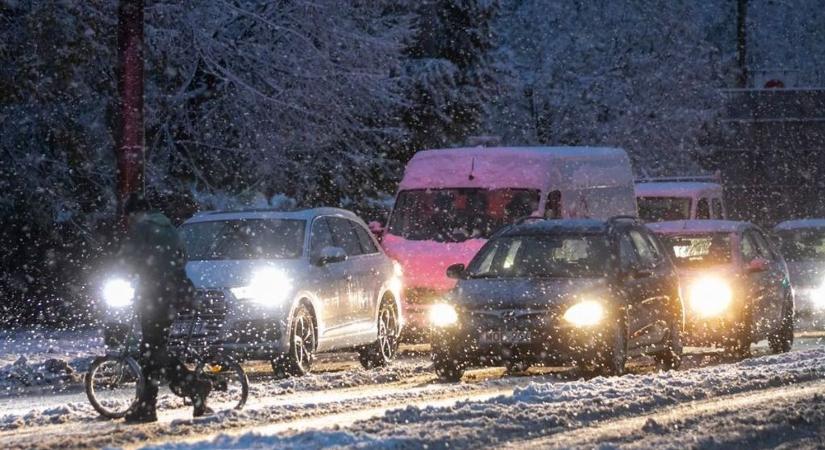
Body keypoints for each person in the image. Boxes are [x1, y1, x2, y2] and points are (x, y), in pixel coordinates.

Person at [117, 193, 212, 423]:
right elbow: (181, 258)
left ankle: (184, 389)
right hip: (170, 296)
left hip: (154, 295)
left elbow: (129, 259)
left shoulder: (143, 228)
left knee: (151, 351)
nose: (128, 222)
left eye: (128, 217)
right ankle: (165, 398)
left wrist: (124, 272)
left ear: (134, 214)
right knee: (153, 350)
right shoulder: (169, 227)